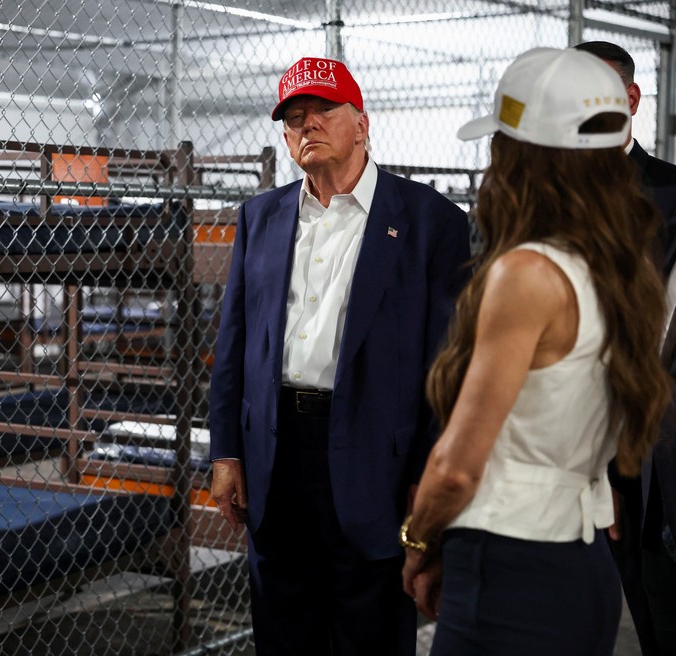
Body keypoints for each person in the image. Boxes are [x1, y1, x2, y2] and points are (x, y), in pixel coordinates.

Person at [400, 47, 671, 655]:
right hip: (579, 561)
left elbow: (458, 465)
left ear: (520, 155)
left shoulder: (528, 272)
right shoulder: (619, 270)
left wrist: (418, 541)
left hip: (509, 570)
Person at [208, 55, 471, 655]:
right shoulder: (261, 217)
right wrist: (225, 449)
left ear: (363, 123)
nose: (308, 125)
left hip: (378, 457)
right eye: (295, 116)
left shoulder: (431, 222)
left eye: (325, 110)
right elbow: (235, 344)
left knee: (371, 631)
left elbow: (447, 368)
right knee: (283, 630)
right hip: (277, 456)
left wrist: (427, 478)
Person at [575, 40, 676, 656]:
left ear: (631, 99)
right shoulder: (539, 197)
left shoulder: (671, 194)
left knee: (658, 606)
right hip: (566, 442)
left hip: (650, 448)